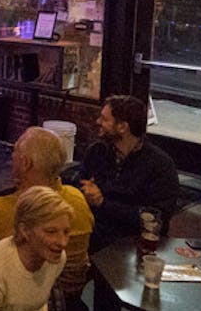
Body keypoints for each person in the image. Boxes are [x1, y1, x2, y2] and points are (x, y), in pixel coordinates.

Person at [0, 127, 94, 301]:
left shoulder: (0, 211)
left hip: (15, 303)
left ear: (25, 163)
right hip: (70, 299)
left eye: (15, 152)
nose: (12, 157)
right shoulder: (78, 198)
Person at [78, 94, 183, 251]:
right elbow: (80, 185)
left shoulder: (160, 166)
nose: (98, 122)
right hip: (94, 235)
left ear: (122, 127)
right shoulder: (97, 152)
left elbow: (157, 218)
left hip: (133, 243)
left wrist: (103, 203)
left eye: (104, 119)